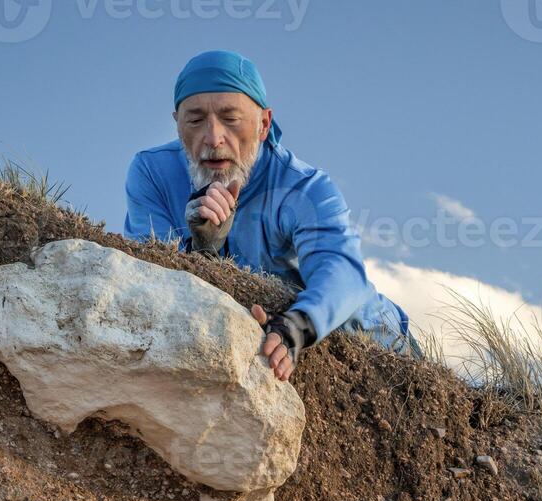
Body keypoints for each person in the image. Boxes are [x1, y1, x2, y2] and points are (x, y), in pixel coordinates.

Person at [124, 50, 415, 382]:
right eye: (195, 120)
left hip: (376, 339)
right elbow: (149, 279)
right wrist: (202, 247)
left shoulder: (305, 187)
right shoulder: (151, 172)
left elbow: (343, 272)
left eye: (230, 119)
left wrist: (294, 327)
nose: (213, 137)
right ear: (177, 125)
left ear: (263, 124)